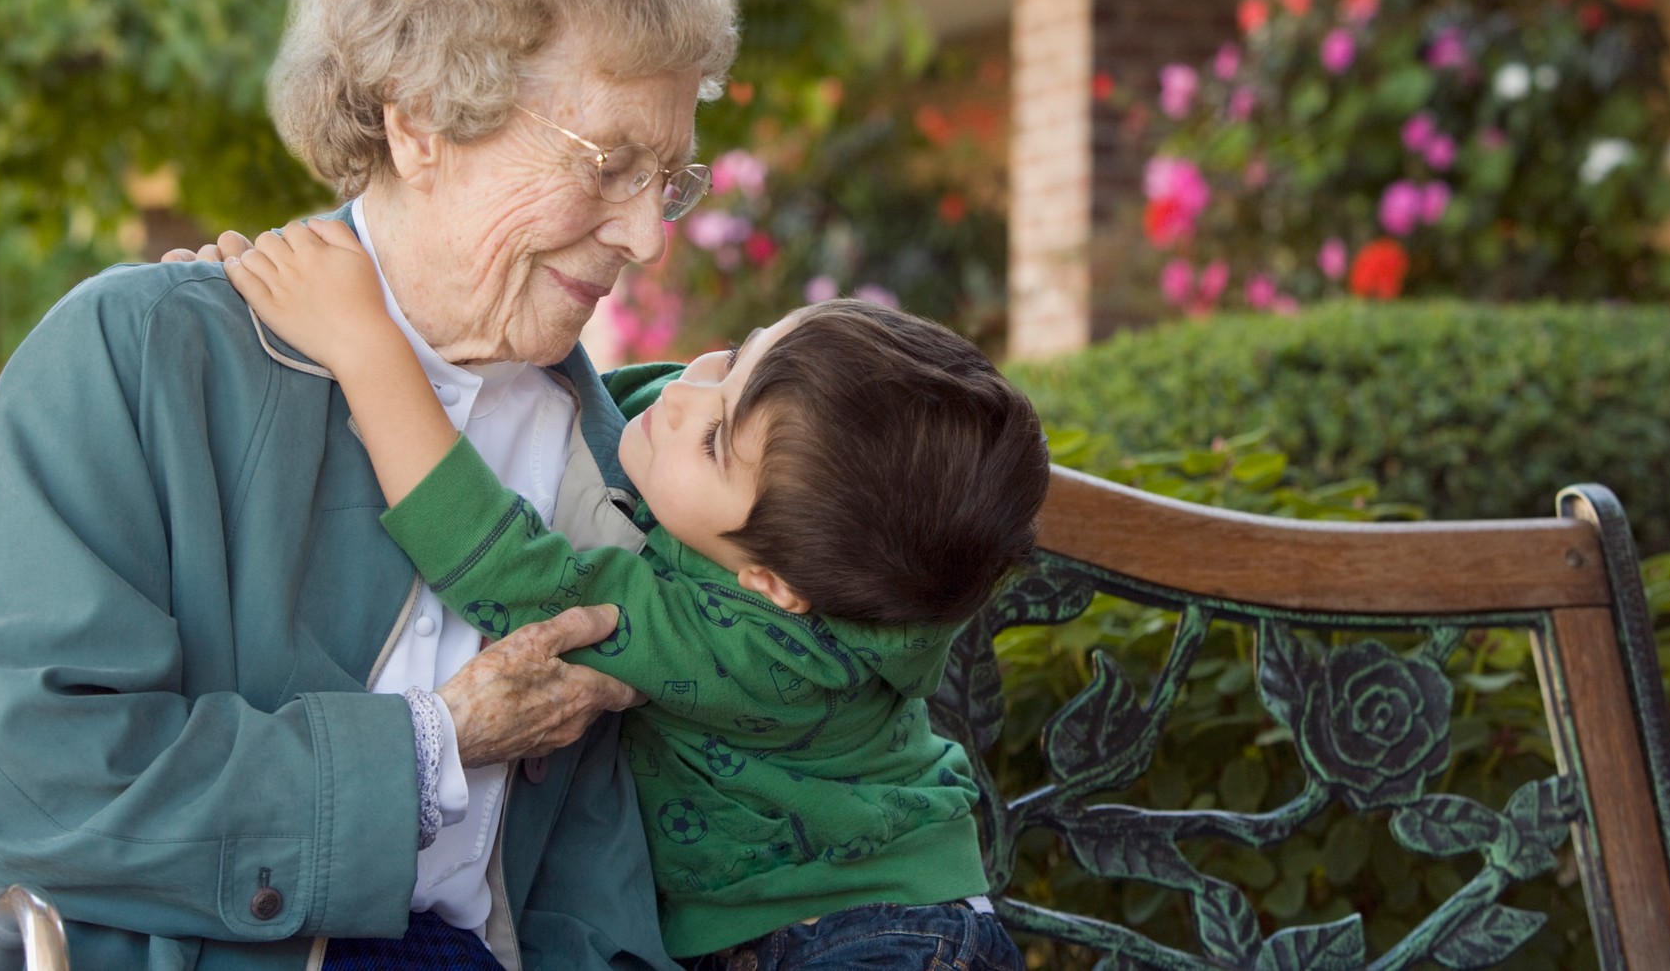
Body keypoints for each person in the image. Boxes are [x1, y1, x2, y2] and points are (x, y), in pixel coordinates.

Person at [0, 0, 737, 970]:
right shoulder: (137, 357)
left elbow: (595, 889)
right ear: (419, 121)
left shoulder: (602, 450)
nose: (647, 234)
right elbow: (38, 780)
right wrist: (434, 743)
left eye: (673, 180)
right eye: (607, 164)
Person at [205, 217, 1047, 970]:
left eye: (716, 438)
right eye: (737, 356)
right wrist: (261, 324)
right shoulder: (791, 518)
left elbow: (513, 575)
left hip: (873, 939)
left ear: (772, 585)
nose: (682, 395)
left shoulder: (764, 650)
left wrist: (362, 346)